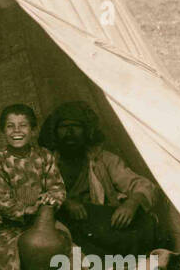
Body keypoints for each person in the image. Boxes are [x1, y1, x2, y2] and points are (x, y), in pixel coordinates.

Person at [39, 100, 160, 257]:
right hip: (60, 223)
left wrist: (132, 203)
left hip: (96, 222)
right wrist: (66, 202)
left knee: (145, 223)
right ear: (55, 131)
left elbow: (143, 185)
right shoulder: (44, 160)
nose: (70, 132)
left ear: (86, 131)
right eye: (63, 127)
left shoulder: (102, 159)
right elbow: (34, 192)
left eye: (76, 126)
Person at [0, 104, 69, 270]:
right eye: (10, 126)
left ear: (32, 130)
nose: (17, 131)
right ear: (3, 130)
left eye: (23, 125)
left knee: (71, 254)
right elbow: (3, 202)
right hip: (11, 227)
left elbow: (57, 188)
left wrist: (50, 200)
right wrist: (30, 210)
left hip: (45, 221)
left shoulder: (45, 156)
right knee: (7, 258)